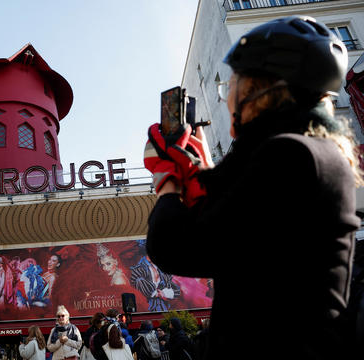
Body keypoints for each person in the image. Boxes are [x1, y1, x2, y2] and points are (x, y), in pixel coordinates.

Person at [144, 15, 361, 360]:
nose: (227, 98)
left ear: (259, 90)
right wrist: (200, 169)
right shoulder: (308, 149)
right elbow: (236, 229)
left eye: (230, 86)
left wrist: (167, 181)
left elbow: (178, 247)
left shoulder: (291, 154)